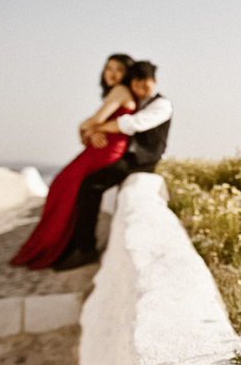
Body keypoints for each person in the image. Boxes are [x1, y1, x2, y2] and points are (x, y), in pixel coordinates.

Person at [10, 54, 137, 270]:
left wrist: (89, 127)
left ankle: (59, 245)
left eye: (119, 69)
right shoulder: (117, 91)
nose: (112, 74)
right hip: (104, 148)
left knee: (62, 185)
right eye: (108, 68)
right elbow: (88, 129)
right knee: (67, 188)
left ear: (127, 74)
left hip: (107, 150)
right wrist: (87, 129)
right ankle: (65, 244)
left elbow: (94, 121)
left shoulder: (120, 90)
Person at [52, 60, 172, 271]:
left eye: (148, 82)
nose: (143, 86)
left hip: (141, 162)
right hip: (126, 158)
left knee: (90, 186)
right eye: (137, 81)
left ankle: (85, 247)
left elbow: (131, 125)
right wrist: (95, 131)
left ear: (155, 82)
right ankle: (75, 243)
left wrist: (94, 127)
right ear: (131, 82)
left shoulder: (162, 105)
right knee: (83, 184)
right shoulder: (134, 100)